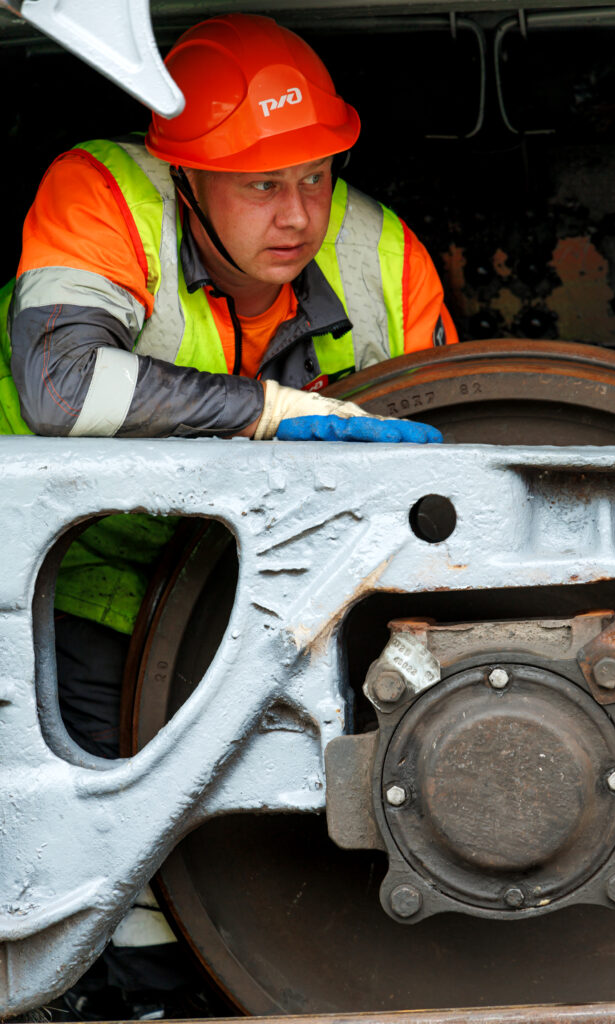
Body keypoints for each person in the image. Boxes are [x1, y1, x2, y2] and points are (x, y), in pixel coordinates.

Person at [0, 11, 458, 1017]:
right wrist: (270, 412)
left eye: (315, 176)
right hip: (68, 572)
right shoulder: (104, 197)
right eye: (260, 185)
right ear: (188, 178)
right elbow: (63, 390)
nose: (297, 215)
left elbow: (455, 457)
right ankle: (141, 998)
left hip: (256, 597)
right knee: (106, 818)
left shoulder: (383, 257)